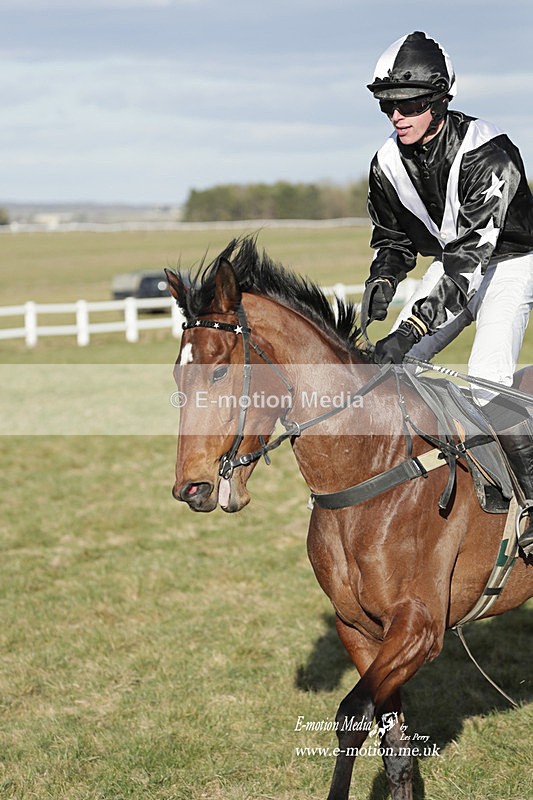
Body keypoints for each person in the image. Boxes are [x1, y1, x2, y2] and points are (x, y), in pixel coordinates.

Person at [362, 31, 533, 556]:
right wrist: (383, 279)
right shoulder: (387, 162)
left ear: (438, 100)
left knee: (486, 383)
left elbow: (469, 262)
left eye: (409, 104)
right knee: (395, 366)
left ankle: (531, 505)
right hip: (454, 263)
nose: (397, 115)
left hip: (510, 264)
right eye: (388, 105)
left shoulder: (491, 152)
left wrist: (413, 323)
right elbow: (393, 239)